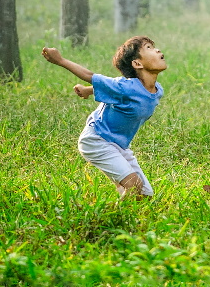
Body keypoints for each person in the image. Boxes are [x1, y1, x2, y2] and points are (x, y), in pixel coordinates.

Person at [42, 37, 166, 198]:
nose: (157, 50)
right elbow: (90, 75)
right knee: (134, 186)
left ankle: (125, 208)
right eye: (149, 48)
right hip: (97, 140)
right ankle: (108, 219)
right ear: (137, 64)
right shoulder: (125, 86)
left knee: (144, 195)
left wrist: (88, 90)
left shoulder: (157, 90)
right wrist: (60, 60)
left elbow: (113, 91)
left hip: (119, 145)